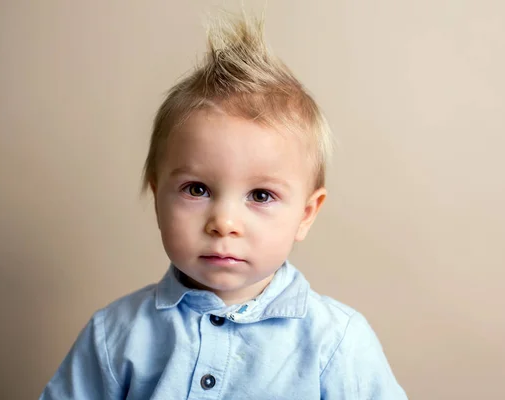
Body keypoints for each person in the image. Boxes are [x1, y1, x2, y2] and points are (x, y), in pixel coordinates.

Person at [40, 12, 408, 400]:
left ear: (306, 214)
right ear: (157, 197)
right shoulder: (116, 335)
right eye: (196, 189)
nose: (224, 222)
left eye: (261, 195)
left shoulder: (336, 343)